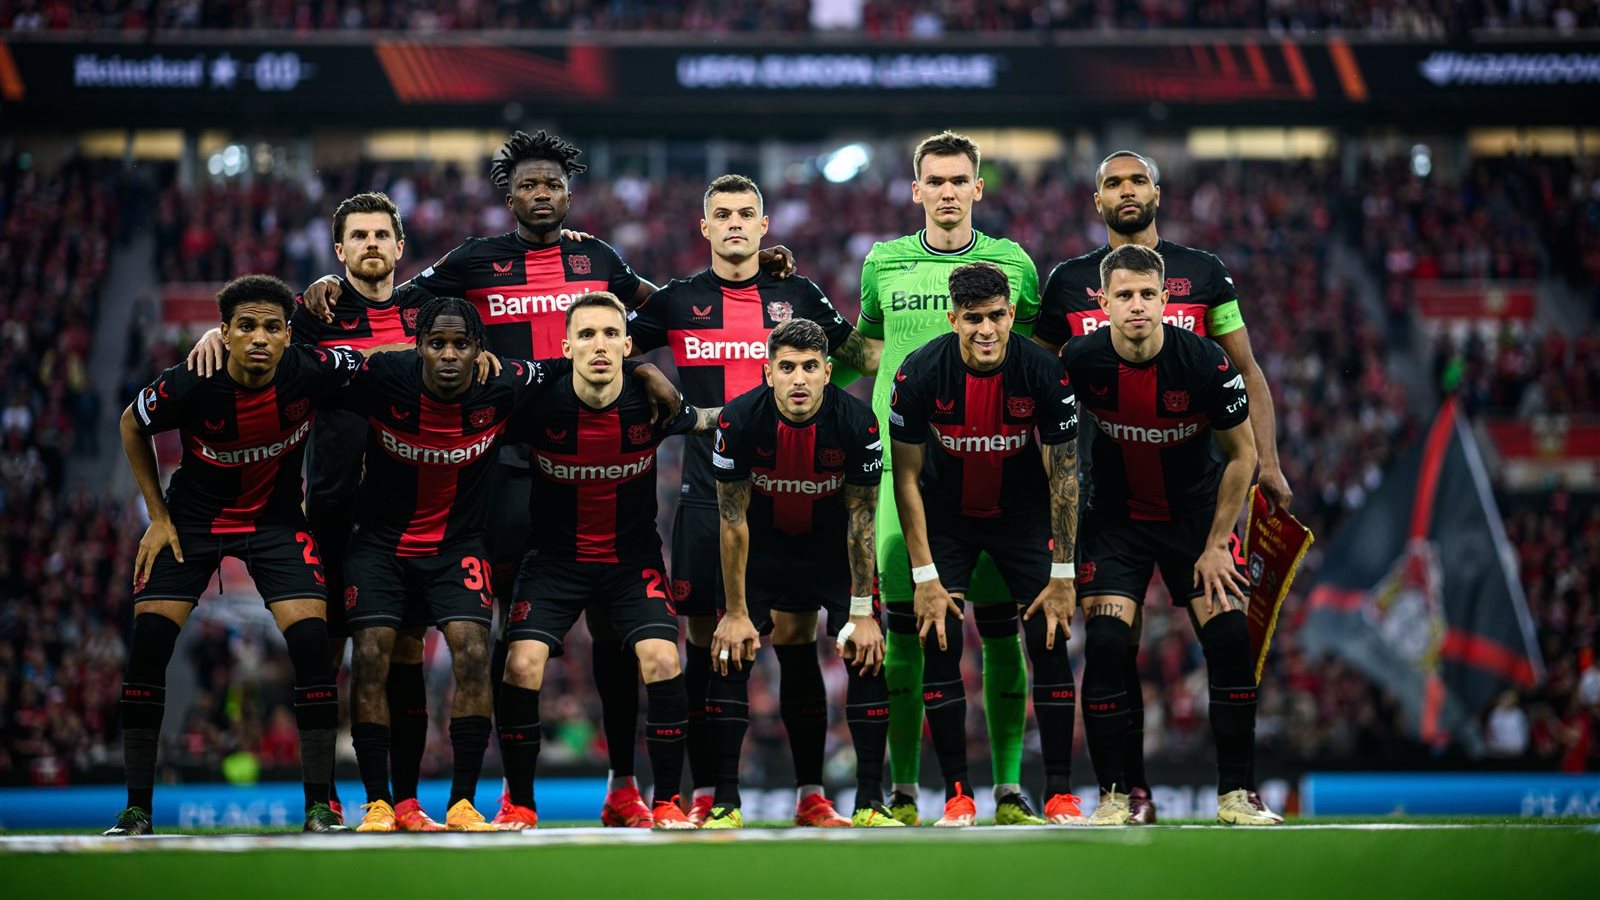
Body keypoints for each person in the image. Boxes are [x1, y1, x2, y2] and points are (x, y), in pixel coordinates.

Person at [300, 135, 790, 828]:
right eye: (528, 184)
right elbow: (395, 301)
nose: (541, 194)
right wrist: (331, 289)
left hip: (585, 453)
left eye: (552, 184)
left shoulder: (599, 259)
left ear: (568, 193)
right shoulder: (475, 259)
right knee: (499, 634)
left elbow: (675, 312)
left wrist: (752, 276)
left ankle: (623, 784)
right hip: (505, 464)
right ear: (509, 195)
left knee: (616, 629)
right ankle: (505, 793)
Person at [1035, 151, 1290, 823]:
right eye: (1113, 182)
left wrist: (1268, 463)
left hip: (1198, 501)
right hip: (1111, 505)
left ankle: (1238, 792)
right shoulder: (1067, 287)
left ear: (1157, 190)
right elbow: (1039, 390)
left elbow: (1246, 372)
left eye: (1137, 179)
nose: (1126, 191)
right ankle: (1126, 795)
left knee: (1229, 638)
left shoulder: (1204, 276)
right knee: (1110, 645)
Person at [623, 173, 876, 825]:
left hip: (793, 494)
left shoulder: (798, 293)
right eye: (723, 214)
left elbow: (859, 354)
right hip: (709, 494)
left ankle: (811, 793)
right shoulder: (678, 300)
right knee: (708, 642)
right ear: (704, 227)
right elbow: (611, 347)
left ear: (764, 227)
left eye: (746, 214)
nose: (734, 223)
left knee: (797, 637)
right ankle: (709, 791)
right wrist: (649, 372)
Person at [188, 191, 441, 828]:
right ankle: (323, 797)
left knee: (405, 649)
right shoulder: (312, 312)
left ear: (400, 246)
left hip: (407, 508)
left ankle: (406, 801)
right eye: (358, 236)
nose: (371, 244)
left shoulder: (425, 311)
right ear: (339, 249)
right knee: (325, 651)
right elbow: (254, 333)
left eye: (381, 234)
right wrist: (213, 336)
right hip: (334, 504)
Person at [106, 275, 361, 835]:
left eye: (272, 327)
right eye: (246, 327)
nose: (260, 338)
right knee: (148, 647)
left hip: (276, 523)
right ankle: (136, 811)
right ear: (224, 332)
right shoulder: (193, 380)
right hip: (192, 524)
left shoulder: (311, 369)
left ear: (288, 335)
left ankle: (319, 809)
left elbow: (374, 357)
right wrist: (158, 516)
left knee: (314, 649)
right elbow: (130, 422)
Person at [853, 131, 1048, 825]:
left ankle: (1008, 789)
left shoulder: (1013, 264)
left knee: (1000, 630)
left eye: (958, 179)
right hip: (902, 470)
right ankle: (906, 791)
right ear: (916, 190)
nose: (946, 191)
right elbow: (866, 348)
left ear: (977, 188)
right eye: (933, 180)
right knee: (907, 630)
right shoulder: (882, 262)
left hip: (994, 466)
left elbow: (1033, 352)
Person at [494, 292, 719, 831]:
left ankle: (666, 802)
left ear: (628, 345)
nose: (599, 345)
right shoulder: (537, 405)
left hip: (629, 561)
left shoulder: (653, 404)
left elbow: (714, 420)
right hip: (553, 561)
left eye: (611, 334)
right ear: (566, 347)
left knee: (663, 660)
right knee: (520, 664)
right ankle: (518, 804)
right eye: (587, 335)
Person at [339, 298, 542, 833]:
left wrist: (645, 372)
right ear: (419, 347)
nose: (448, 355)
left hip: (458, 546)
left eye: (460, 344)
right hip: (380, 545)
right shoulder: (383, 377)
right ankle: (382, 803)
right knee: (373, 656)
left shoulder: (504, 384)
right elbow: (308, 368)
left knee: (474, 652)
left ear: (479, 350)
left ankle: (462, 803)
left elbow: (572, 371)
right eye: (437, 344)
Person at [887, 263, 1080, 826]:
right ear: (953, 319)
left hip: (1023, 519)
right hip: (947, 520)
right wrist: (924, 576)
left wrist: (1063, 571)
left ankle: (1060, 794)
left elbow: (1065, 474)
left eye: (997, 316)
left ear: (1012, 314)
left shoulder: (1043, 370)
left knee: (1049, 637)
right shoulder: (919, 372)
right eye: (973, 318)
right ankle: (957, 796)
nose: (987, 329)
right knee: (939, 637)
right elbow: (905, 479)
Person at [701, 318, 896, 829]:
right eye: (787, 367)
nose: (799, 379)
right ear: (768, 373)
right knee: (730, 652)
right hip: (762, 554)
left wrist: (861, 613)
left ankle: (868, 800)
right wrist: (736, 612)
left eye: (810, 367)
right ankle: (725, 802)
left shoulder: (858, 422)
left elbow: (862, 517)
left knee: (866, 650)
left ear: (828, 372)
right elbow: (732, 519)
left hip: (832, 553)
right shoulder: (738, 420)